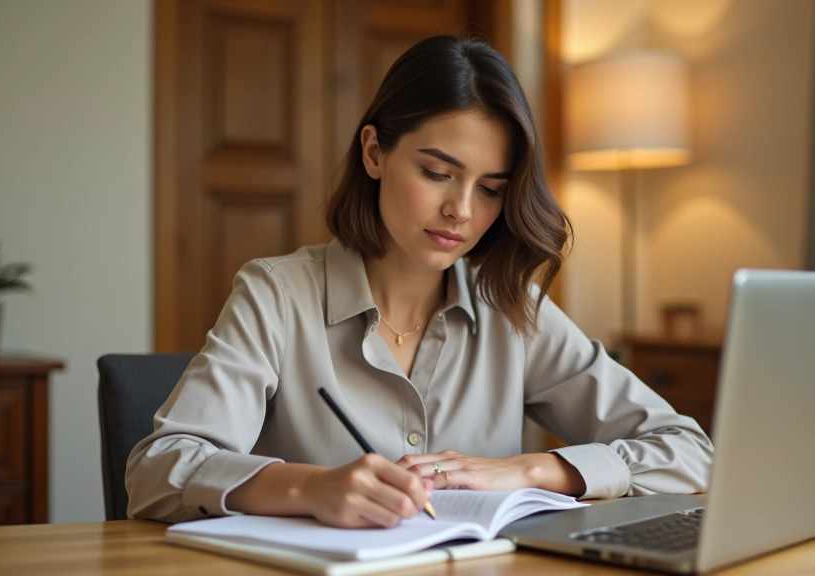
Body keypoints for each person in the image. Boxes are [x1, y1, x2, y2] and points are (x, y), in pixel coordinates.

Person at [125, 35, 713, 528]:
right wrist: (308, 488)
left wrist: (535, 469)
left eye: (490, 189)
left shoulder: (512, 309)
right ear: (375, 152)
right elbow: (158, 470)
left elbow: (689, 453)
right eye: (437, 173)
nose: (461, 209)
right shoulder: (277, 295)